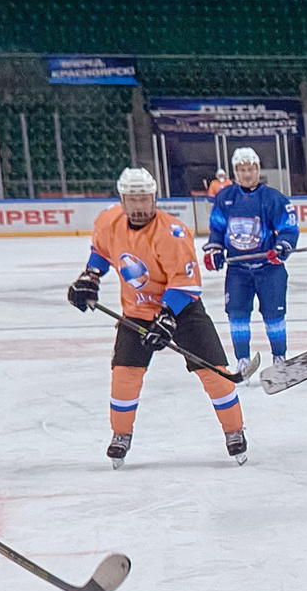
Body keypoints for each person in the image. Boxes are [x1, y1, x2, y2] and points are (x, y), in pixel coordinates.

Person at [68, 167, 245, 466]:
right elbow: (101, 251)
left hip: (183, 310)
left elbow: (185, 283)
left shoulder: (172, 233)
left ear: (154, 198)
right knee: (124, 375)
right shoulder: (108, 221)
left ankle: (235, 431)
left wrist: (167, 317)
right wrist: (91, 276)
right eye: (132, 199)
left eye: (144, 199)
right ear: (122, 199)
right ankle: (120, 435)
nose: (139, 206)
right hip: (137, 312)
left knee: (215, 372)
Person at [204, 146, 300, 378]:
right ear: (235, 171)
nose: (247, 174)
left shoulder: (274, 199)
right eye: (242, 169)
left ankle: (279, 358)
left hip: (269, 269)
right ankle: (242, 360)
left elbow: (289, 229)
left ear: (258, 169)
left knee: (274, 315)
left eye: (251, 168)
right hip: (237, 270)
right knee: (237, 315)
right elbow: (217, 229)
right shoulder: (225, 198)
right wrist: (215, 249)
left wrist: (282, 247)